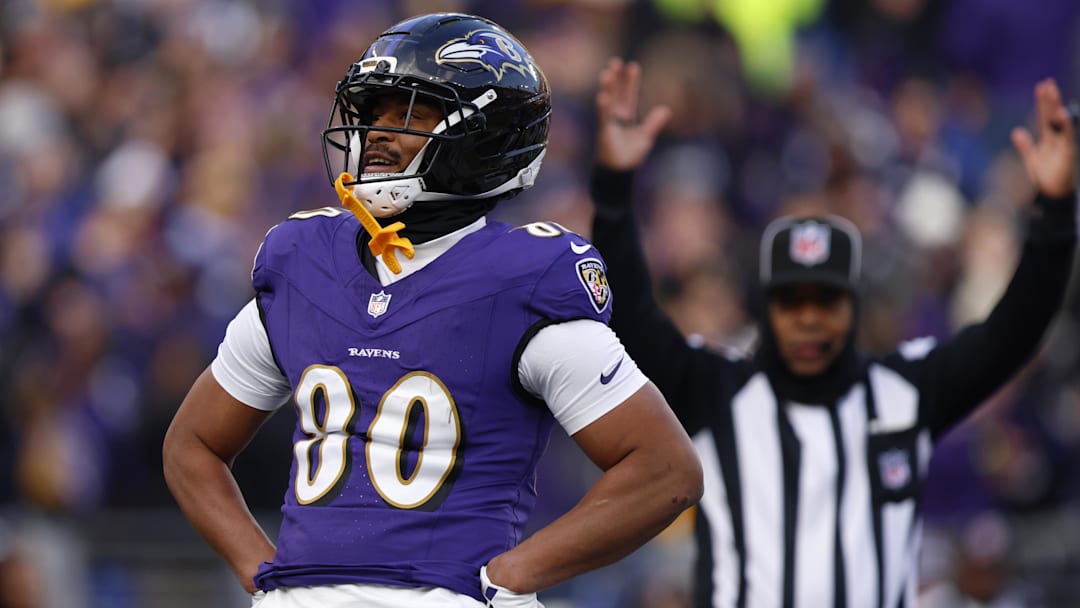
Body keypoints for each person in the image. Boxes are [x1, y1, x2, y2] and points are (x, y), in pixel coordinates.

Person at [162, 15, 703, 608]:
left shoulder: (521, 280)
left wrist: (513, 576)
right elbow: (192, 443)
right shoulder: (303, 264)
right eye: (375, 111)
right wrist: (261, 570)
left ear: (484, 138)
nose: (379, 134)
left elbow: (665, 471)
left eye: (410, 114)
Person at [589, 57, 1077, 607]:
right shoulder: (715, 391)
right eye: (791, 300)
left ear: (853, 306)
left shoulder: (905, 393)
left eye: (826, 299)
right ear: (767, 308)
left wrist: (1055, 213)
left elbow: (1014, 332)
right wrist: (613, 190)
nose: (810, 317)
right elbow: (627, 313)